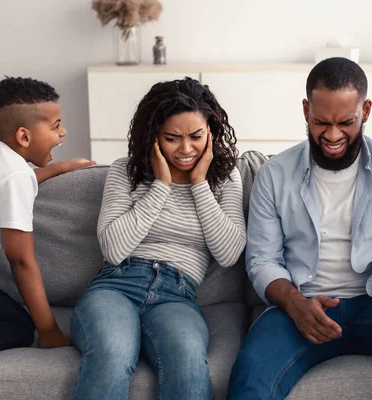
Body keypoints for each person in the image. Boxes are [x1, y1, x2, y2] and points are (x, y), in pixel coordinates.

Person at [228, 57, 372, 400]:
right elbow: (262, 261)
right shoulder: (274, 175)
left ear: (365, 110)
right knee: (250, 378)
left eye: (345, 122)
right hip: (302, 307)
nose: (332, 135)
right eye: (320, 122)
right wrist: (294, 303)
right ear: (306, 110)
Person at [70, 77, 247, 400]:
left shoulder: (225, 176)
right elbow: (114, 248)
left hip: (176, 294)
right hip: (116, 285)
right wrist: (161, 186)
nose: (185, 149)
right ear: (153, 136)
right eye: (172, 138)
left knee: (188, 361)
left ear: (211, 132)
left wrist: (199, 184)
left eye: (195, 136)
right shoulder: (126, 172)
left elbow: (229, 252)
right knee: (112, 353)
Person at [0, 76, 95, 363]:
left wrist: (58, 168)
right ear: (24, 137)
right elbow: (21, 260)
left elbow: (11, 180)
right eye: (56, 126)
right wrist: (49, 331)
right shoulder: (13, 174)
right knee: (18, 326)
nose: (63, 132)